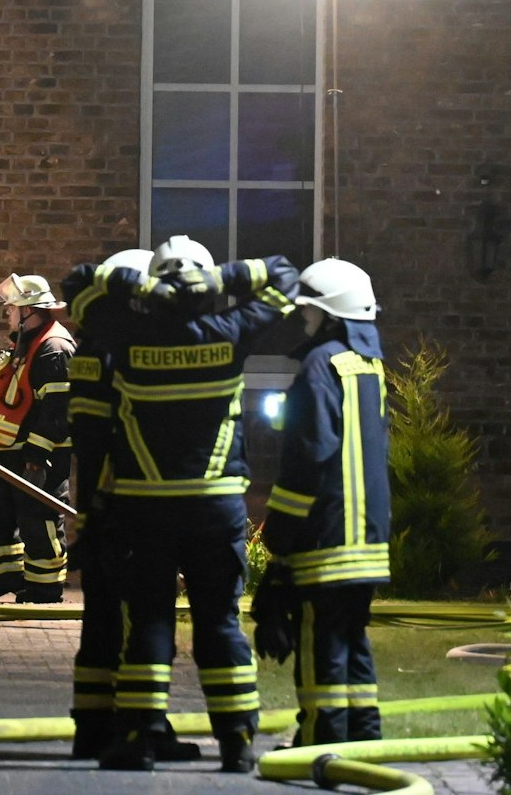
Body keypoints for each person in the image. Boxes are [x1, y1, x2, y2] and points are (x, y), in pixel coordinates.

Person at [91, 236, 299, 774]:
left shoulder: (127, 336)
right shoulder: (229, 333)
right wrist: (223, 279)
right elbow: (285, 278)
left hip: (145, 508)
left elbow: (80, 291)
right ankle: (235, 742)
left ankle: (137, 738)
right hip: (215, 506)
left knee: (151, 621)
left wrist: (141, 284)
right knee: (219, 622)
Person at [255, 258, 391, 748]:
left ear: (329, 315)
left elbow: (309, 452)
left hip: (326, 533)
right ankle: (363, 732)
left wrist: (281, 532)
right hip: (367, 534)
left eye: (309, 311)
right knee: (353, 636)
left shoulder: (319, 364)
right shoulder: (368, 365)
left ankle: (320, 735)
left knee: (320, 640)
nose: (303, 319)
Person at [58, 247, 152, 759]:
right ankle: (134, 728)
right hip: (127, 506)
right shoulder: (129, 355)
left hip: (97, 505)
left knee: (99, 623)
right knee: (134, 620)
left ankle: (90, 728)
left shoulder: (89, 350)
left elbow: (88, 441)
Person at [0, 273, 75, 603]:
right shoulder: (24, 344)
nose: (8, 315)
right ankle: (7, 577)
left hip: (36, 453)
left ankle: (46, 587)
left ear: (29, 311)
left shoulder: (54, 348)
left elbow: (59, 408)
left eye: (12, 309)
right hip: (5, 451)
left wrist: (37, 452)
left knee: (39, 516)